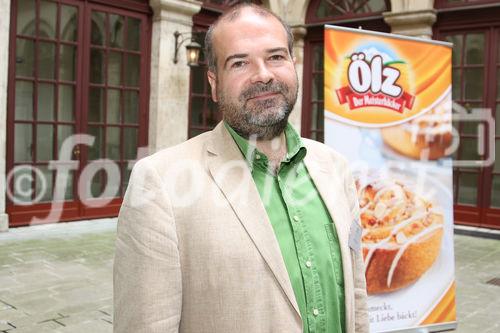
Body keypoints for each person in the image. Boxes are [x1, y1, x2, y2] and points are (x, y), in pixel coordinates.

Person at [113, 3, 368, 333]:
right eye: (239, 62)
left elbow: (356, 296)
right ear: (214, 83)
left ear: (294, 65)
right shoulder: (160, 183)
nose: (263, 74)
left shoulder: (336, 168)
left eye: (276, 57)